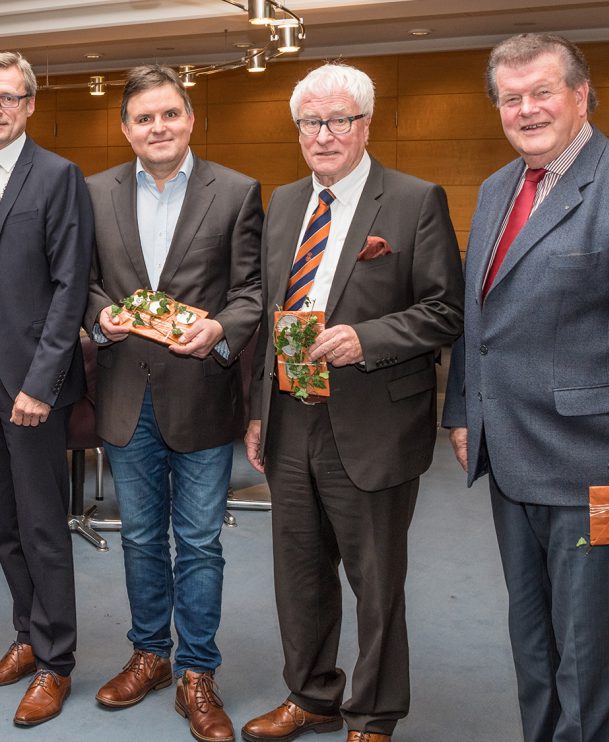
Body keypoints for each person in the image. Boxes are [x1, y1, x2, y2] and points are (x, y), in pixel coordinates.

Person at [443, 33, 609, 742]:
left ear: (582, 94)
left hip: (595, 467)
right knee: (533, 643)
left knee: (586, 655)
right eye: (511, 97)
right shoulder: (498, 189)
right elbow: (479, 315)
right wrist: (465, 412)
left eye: (542, 92)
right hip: (510, 461)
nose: (526, 110)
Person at [241, 62, 464, 742]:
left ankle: (373, 713)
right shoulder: (281, 204)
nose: (324, 134)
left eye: (339, 120)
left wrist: (362, 338)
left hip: (372, 421)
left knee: (375, 583)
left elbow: (444, 311)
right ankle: (311, 695)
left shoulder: (413, 199)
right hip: (290, 419)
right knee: (299, 575)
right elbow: (268, 316)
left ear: (364, 124)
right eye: (310, 122)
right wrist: (257, 409)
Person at [84, 64, 262, 742]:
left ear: (190, 119)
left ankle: (197, 672)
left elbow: (251, 292)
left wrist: (222, 330)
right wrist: (102, 319)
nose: (157, 127)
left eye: (169, 114)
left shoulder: (237, 192)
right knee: (136, 538)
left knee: (197, 542)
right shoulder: (94, 192)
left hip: (202, 396)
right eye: (142, 118)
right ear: (126, 128)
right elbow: (87, 283)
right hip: (127, 394)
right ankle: (149, 654)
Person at [0, 50, 92, 727]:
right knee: (3, 522)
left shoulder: (59, 177)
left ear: (31, 104)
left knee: (41, 526)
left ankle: (57, 663)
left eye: (9, 97)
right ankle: (26, 634)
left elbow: (71, 287)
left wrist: (43, 382)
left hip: (29, 381)